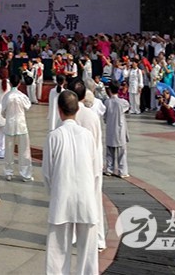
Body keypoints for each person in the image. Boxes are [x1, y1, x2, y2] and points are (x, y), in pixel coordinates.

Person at [43, 90, 99, 275]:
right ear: (77, 109)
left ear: (59, 110)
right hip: (86, 197)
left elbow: (47, 173)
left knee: (57, 251)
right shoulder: (87, 135)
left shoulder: (54, 136)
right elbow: (95, 170)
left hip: (62, 196)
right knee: (88, 252)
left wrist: (55, 193)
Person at [71, 78, 105, 251]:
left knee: (74, 200)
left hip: (76, 164)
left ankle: (74, 235)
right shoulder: (91, 116)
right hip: (92, 163)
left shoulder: (69, 116)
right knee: (94, 201)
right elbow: (97, 141)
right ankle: (97, 238)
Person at [0, 70, 33, 182]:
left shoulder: (6, 96)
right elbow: (28, 107)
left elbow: (3, 111)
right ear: (19, 83)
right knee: (24, 150)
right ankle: (25, 174)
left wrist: (8, 116)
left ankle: (8, 172)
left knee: (9, 150)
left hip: (9, 125)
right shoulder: (22, 96)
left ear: (10, 83)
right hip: (21, 124)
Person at [103, 82, 129, 177]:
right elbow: (127, 108)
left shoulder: (107, 102)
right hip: (120, 128)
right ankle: (122, 171)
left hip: (110, 128)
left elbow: (105, 117)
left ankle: (109, 169)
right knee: (122, 151)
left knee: (110, 151)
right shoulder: (123, 102)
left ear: (109, 90)